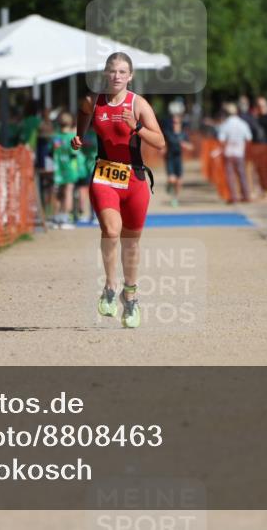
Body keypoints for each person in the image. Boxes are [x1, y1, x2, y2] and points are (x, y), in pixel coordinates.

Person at [71, 52, 164, 329]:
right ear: (105, 74)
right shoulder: (93, 101)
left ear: (130, 76)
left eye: (123, 72)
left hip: (134, 179)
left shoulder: (138, 104)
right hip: (104, 174)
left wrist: (136, 128)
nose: (117, 76)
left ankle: (131, 295)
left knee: (131, 242)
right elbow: (83, 112)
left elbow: (159, 141)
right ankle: (111, 287)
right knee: (111, 231)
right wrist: (80, 135)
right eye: (112, 71)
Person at [217, 102, 253, 203]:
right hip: (240, 152)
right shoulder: (243, 124)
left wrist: (223, 150)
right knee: (242, 174)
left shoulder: (225, 125)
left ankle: (233, 196)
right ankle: (246, 195)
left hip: (229, 153)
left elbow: (221, 140)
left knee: (230, 176)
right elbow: (249, 138)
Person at [51, 111, 81, 229]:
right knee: (68, 192)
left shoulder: (56, 137)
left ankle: (56, 217)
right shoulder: (71, 137)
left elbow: (52, 150)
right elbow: (74, 152)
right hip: (70, 169)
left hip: (58, 168)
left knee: (58, 193)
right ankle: (65, 218)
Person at [163, 113, 193, 207]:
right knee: (172, 179)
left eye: (177, 122)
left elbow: (191, 147)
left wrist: (185, 145)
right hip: (170, 157)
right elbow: (162, 142)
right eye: (173, 122)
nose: (175, 124)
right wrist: (162, 149)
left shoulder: (183, 134)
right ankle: (169, 185)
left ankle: (175, 198)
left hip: (178, 158)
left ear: (180, 123)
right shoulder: (168, 132)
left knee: (179, 181)